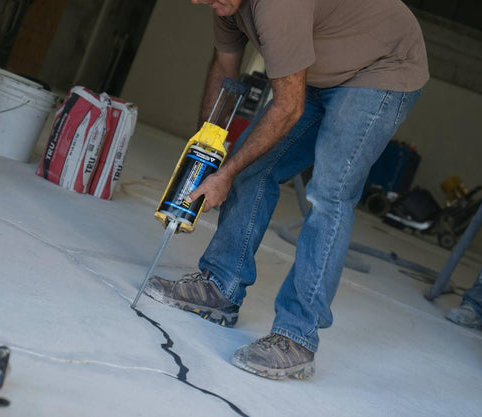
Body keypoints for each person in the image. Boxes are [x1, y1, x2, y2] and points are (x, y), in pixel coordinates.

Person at [145, 0, 429, 380]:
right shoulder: (225, 6)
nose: (210, 3)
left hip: (382, 66)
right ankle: (220, 287)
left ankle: (296, 338)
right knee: (252, 168)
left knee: (329, 194)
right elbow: (225, 69)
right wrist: (208, 149)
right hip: (321, 66)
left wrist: (225, 173)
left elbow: (289, 107)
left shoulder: (277, 6)